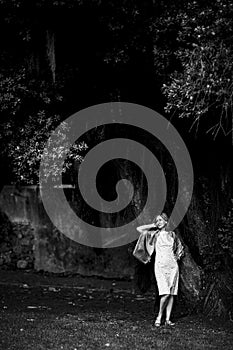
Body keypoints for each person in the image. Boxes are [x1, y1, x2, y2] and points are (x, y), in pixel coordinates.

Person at [136, 213, 184, 327]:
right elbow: (139, 229)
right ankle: (159, 316)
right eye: (157, 220)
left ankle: (167, 319)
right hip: (160, 265)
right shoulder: (154, 234)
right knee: (165, 292)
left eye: (161, 220)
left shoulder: (172, 234)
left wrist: (178, 255)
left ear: (166, 221)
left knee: (172, 293)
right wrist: (153, 224)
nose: (159, 222)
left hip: (173, 266)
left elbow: (179, 248)